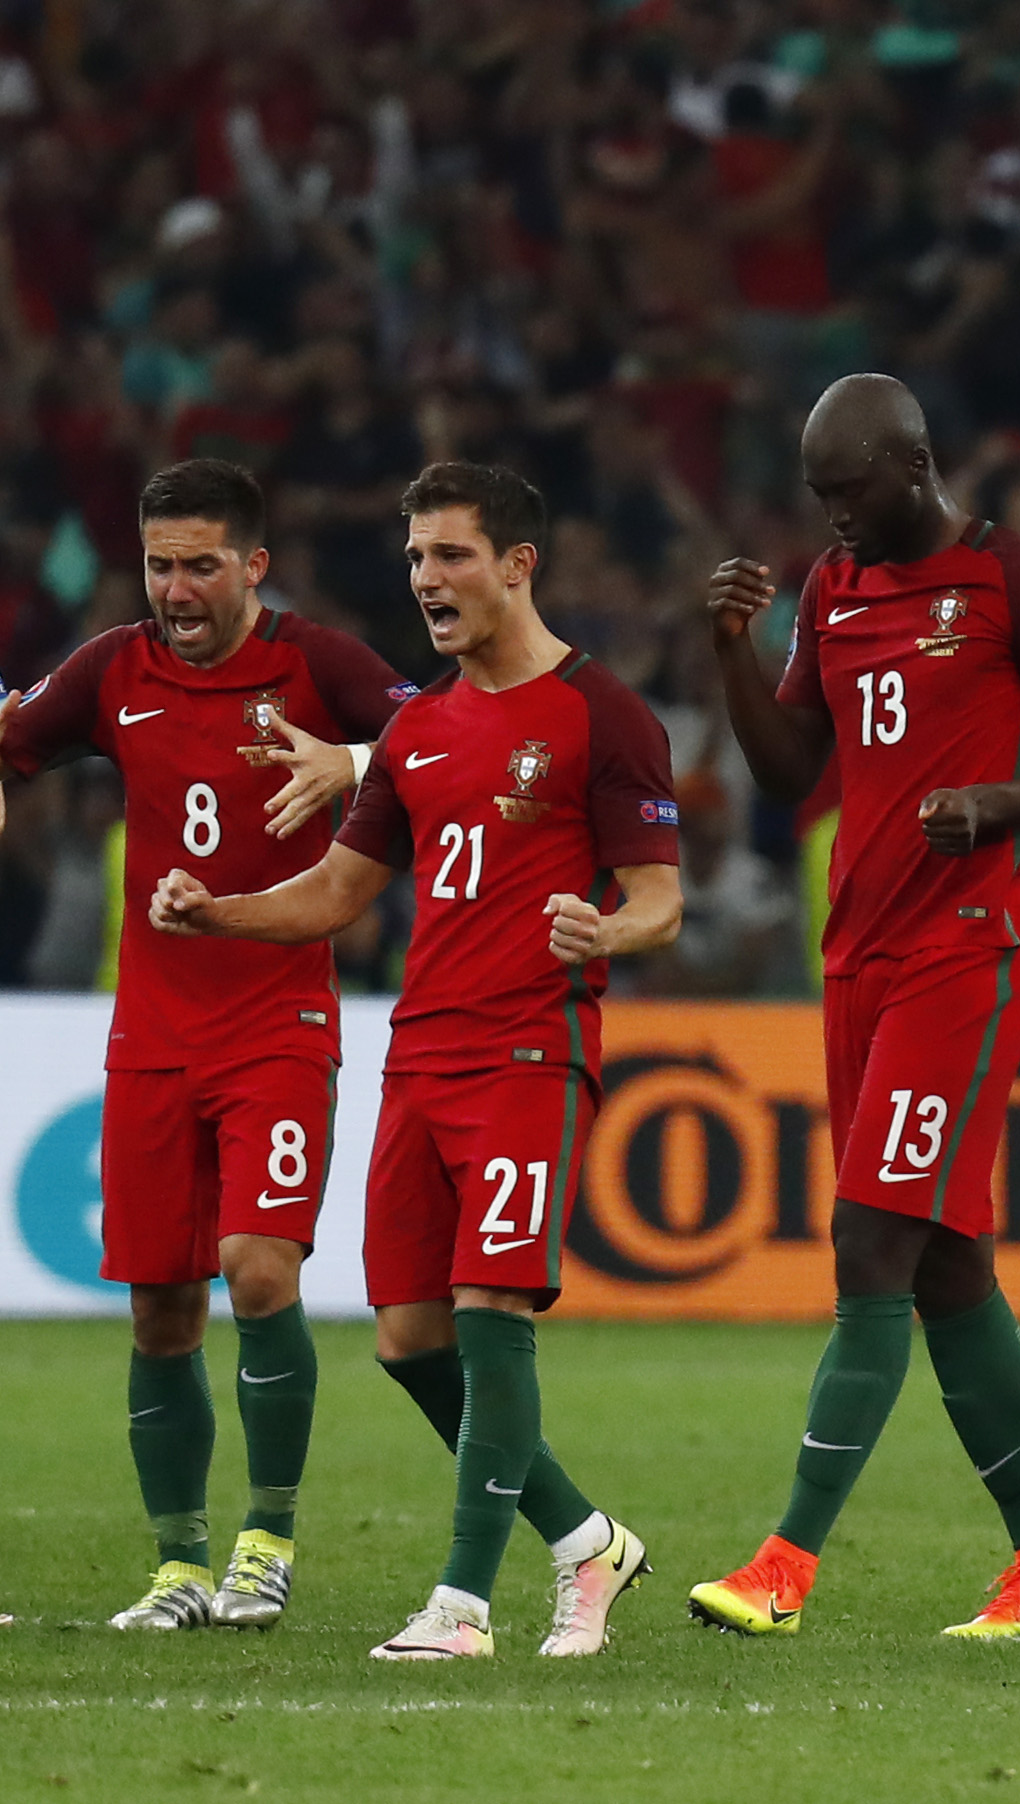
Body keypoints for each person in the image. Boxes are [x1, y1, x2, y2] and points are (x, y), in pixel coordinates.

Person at [151, 462, 684, 1660]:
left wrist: (608, 930)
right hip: (420, 1057)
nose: (426, 581)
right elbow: (340, 890)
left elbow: (660, 899)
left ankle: (462, 1603)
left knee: (492, 1309)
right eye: (413, 559)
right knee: (409, 1339)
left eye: (449, 555)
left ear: (517, 563)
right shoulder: (416, 729)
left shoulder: (605, 714)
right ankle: (588, 1543)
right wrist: (217, 910)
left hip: (529, 1050)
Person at [689, 374, 1020, 1640]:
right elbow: (789, 771)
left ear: (916, 464)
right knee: (945, 1264)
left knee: (869, 1240)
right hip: (860, 958)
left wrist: (997, 803)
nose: (830, 519)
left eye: (848, 490)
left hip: (971, 947)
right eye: (817, 495)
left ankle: (784, 1562)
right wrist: (731, 651)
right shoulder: (836, 590)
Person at [0, 459, 411, 1633]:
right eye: (159, 565)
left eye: (201, 565)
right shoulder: (111, 669)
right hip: (150, 1034)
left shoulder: (317, 664)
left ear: (254, 565)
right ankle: (179, 1563)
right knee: (160, 1311)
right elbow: (12, 740)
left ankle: (265, 1542)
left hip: (278, 1019)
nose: (177, 590)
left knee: (260, 1267)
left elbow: (454, 735)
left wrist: (358, 761)